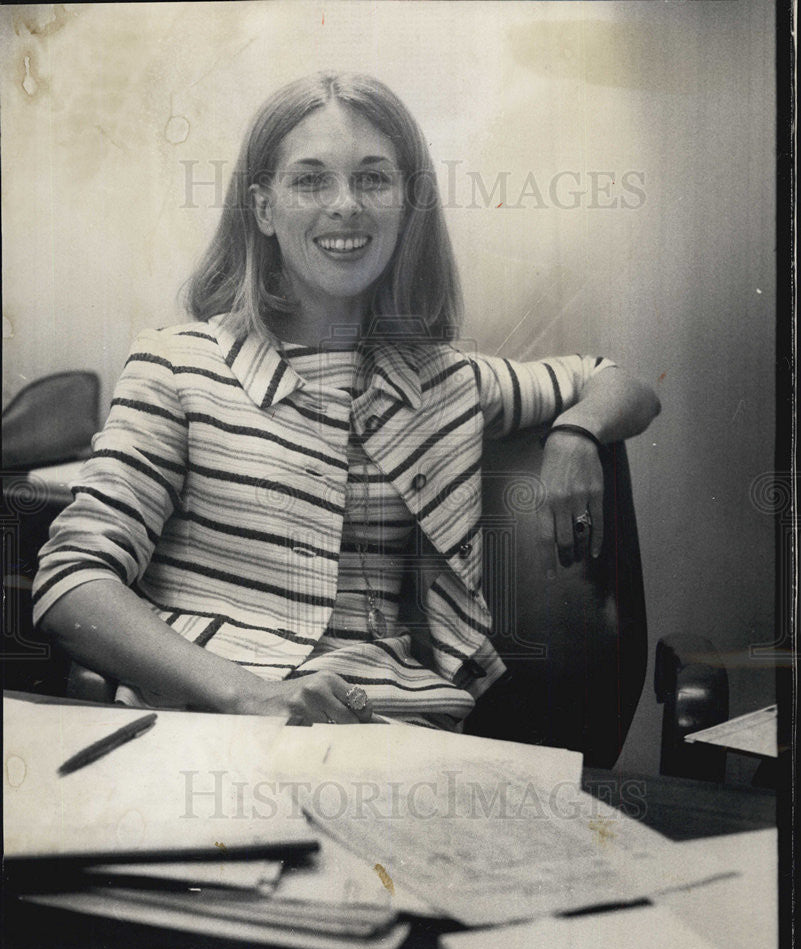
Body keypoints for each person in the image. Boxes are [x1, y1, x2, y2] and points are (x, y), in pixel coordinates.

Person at [33, 72, 660, 729]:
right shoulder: (179, 366)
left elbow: (618, 382)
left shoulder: (445, 383)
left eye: (373, 178)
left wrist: (579, 433)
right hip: (203, 724)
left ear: (406, 204)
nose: (345, 205)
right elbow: (70, 580)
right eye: (310, 180)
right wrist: (247, 693)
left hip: (388, 729)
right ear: (263, 208)